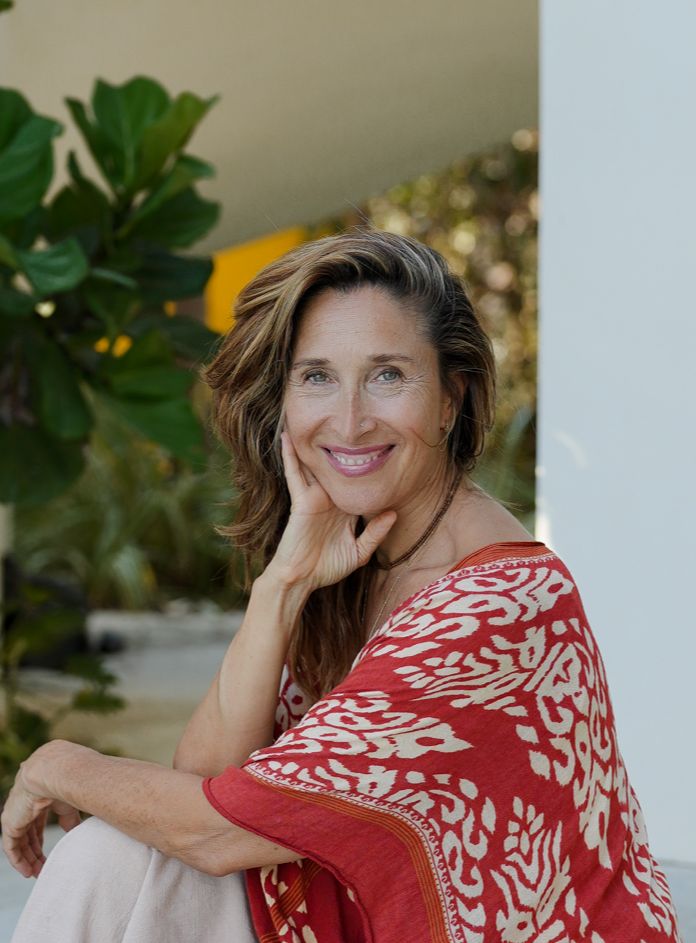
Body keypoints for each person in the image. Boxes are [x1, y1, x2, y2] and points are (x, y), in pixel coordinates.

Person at [2, 228, 682, 943]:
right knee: (112, 859)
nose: (350, 420)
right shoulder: (363, 556)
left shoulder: (498, 606)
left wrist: (58, 765)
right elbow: (203, 774)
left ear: (449, 399)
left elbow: (214, 830)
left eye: (388, 375)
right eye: (317, 376)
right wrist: (283, 583)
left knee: (111, 855)